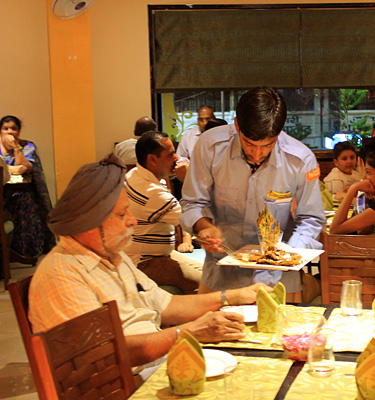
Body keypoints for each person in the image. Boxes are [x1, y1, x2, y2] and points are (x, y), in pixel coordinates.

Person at [28, 154, 266, 378]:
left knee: (256, 364)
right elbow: (104, 353)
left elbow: (166, 304)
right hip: (124, 382)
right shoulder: (62, 275)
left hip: (152, 364)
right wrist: (190, 332)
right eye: (122, 215)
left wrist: (233, 297)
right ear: (91, 222)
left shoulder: (111, 257)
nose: (132, 220)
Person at [180, 87, 325, 299]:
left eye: (268, 145)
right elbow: (192, 202)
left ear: (281, 129)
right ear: (237, 125)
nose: (257, 153)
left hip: (279, 280)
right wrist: (204, 227)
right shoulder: (209, 147)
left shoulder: (300, 160)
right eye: (249, 143)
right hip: (222, 274)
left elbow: (311, 219)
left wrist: (284, 257)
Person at [124, 131, 203, 294]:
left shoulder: (135, 174)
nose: (176, 159)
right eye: (170, 155)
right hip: (145, 262)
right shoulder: (152, 193)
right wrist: (189, 179)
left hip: (158, 255)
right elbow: (193, 218)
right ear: (152, 160)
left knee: (211, 273)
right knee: (209, 284)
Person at [0, 115, 55, 259]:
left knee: (24, 200)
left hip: (19, 190)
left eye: (13, 128)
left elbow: (26, 168)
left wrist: (16, 148)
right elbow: (12, 169)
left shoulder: (27, 146)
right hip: (2, 189)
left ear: (19, 131)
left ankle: (25, 250)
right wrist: (13, 168)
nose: (10, 132)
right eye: (6, 129)